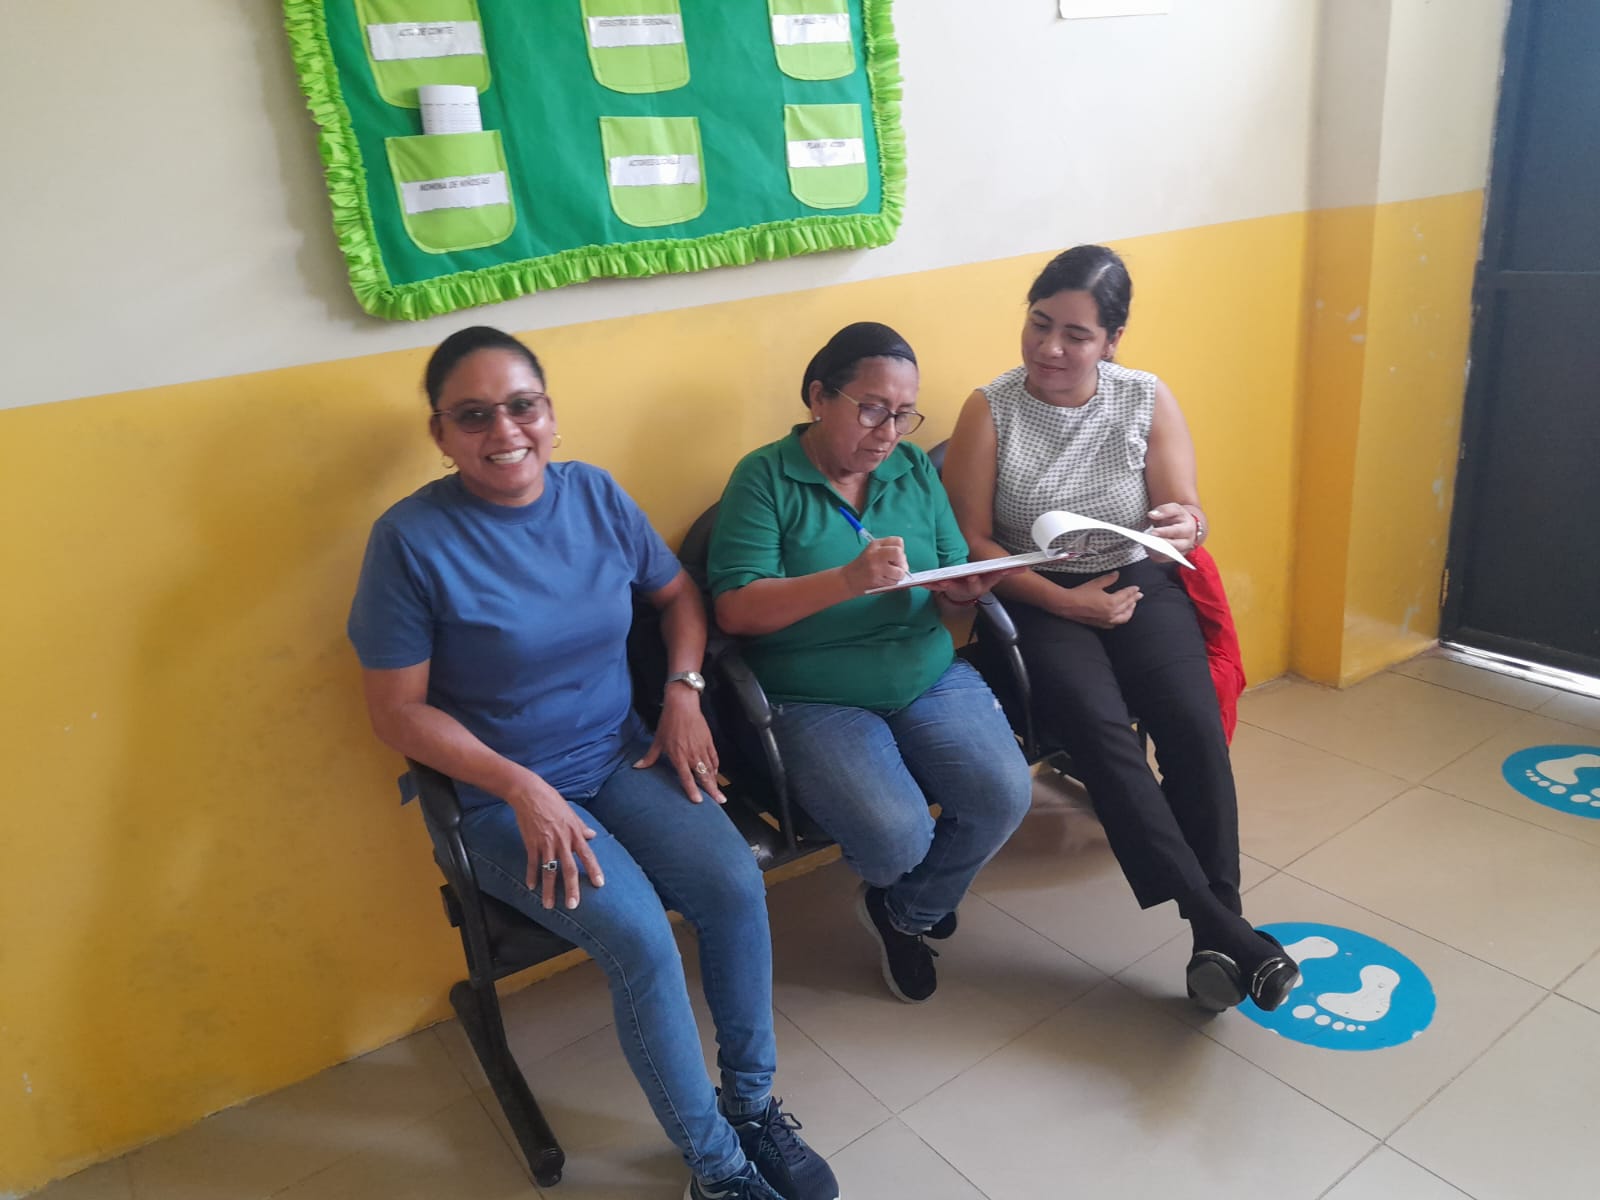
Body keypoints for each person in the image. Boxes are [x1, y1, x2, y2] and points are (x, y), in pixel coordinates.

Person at [347, 327, 838, 1200]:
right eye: (474, 416)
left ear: (551, 414)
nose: (505, 431)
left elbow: (678, 596)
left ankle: (751, 1106)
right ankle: (717, 1171)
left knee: (733, 884)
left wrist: (683, 690)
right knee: (641, 940)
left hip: (619, 753)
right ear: (441, 434)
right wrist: (518, 784)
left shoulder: (596, 495)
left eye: (522, 406)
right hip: (502, 800)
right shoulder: (410, 542)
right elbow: (397, 711)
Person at [941, 247, 1299, 1014]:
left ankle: (1215, 939)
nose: (1050, 348)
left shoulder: (1145, 397)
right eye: (1039, 324)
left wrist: (1187, 524)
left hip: (1137, 579)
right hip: (1036, 597)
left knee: (1193, 726)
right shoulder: (990, 408)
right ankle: (1226, 931)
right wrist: (1061, 601)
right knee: (1103, 737)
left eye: (1076, 334)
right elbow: (971, 541)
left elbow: (1185, 507)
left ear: (1112, 339)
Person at [708, 322, 1033, 1005]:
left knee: (1003, 796)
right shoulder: (763, 478)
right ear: (818, 397)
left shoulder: (912, 468)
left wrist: (965, 587)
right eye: (871, 409)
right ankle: (912, 891)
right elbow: (735, 610)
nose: (888, 432)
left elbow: (948, 569)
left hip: (925, 669)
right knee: (896, 838)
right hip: (814, 692)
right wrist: (846, 581)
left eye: (904, 414)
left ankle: (902, 912)